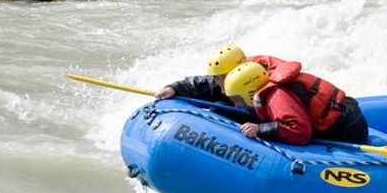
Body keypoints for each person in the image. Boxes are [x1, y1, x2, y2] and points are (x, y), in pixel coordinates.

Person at [223, 60, 369, 146]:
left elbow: (300, 131)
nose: (237, 105)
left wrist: (260, 129)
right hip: (345, 114)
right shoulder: (269, 88)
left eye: (237, 99)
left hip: (346, 129)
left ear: (248, 92)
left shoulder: (276, 96)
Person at [154, 45, 285, 102]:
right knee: (219, 106)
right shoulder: (220, 81)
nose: (217, 81)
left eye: (221, 77)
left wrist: (261, 129)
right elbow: (196, 84)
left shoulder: (269, 87)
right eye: (216, 77)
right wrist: (173, 88)